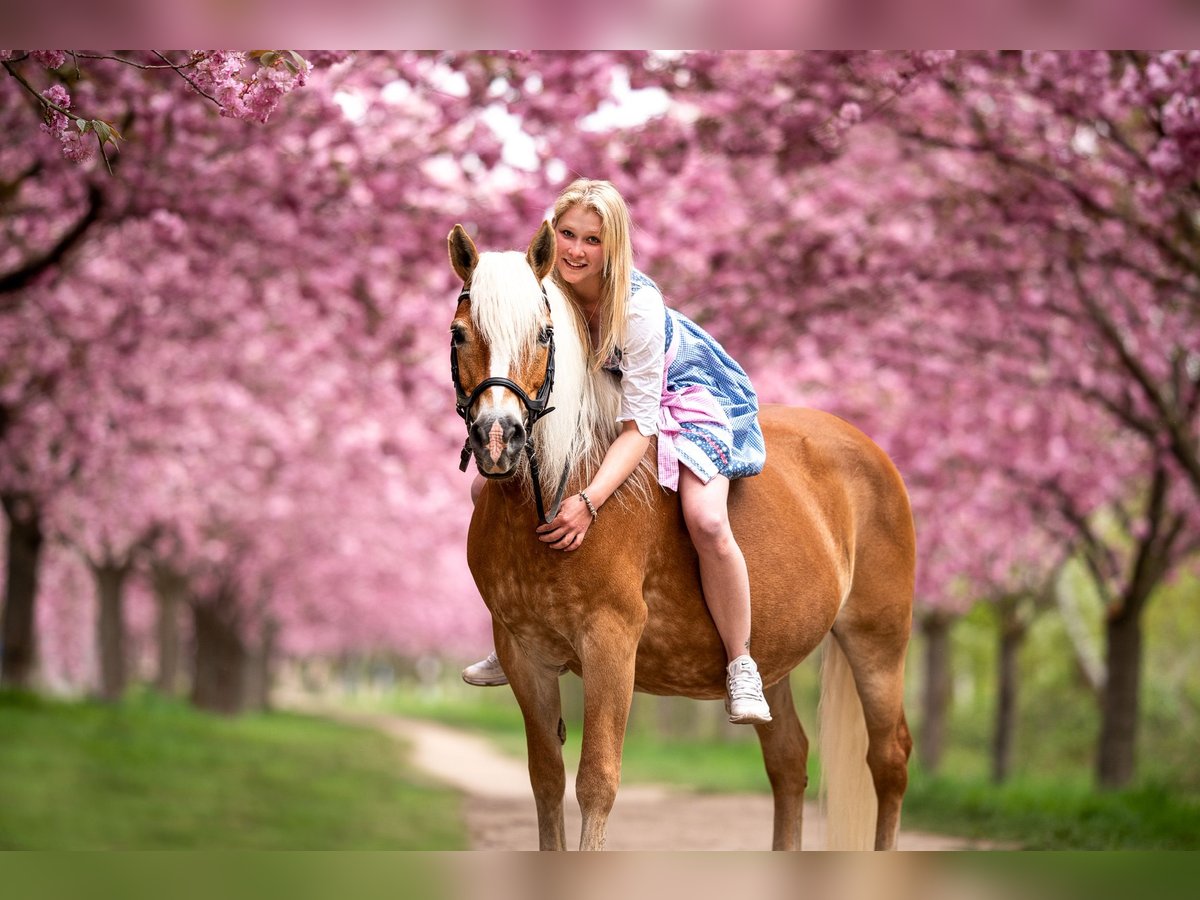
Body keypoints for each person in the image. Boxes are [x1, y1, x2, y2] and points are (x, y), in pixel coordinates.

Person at [461, 178, 771, 725]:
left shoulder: (636, 310)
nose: (576, 250)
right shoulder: (542, 287)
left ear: (614, 246)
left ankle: (741, 662)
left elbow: (639, 426)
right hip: (599, 398)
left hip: (675, 395)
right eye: (567, 234)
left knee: (706, 518)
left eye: (592, 239)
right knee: (483, 487)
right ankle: (520, 629)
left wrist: (590, 498)